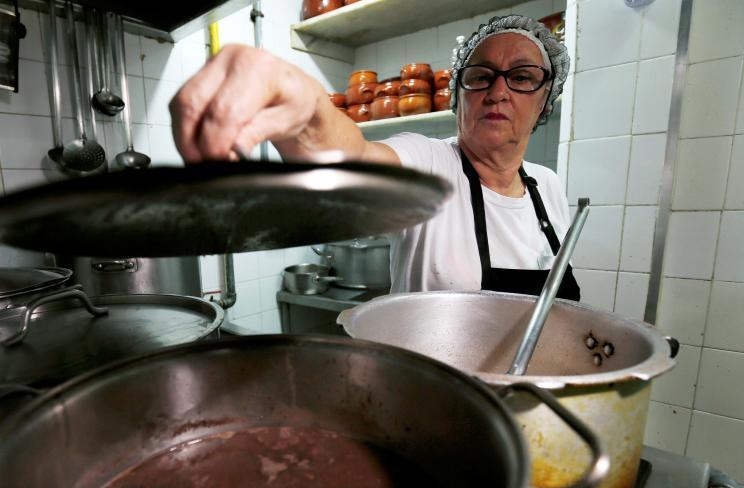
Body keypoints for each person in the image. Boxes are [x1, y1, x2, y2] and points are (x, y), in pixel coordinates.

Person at [170, 15, 580, 300]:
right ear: (458, 98)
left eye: (522, 77)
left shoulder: (549, 185)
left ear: (546, 100)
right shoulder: (430, 165)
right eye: (480, 76)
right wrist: (309, 114)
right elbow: (353, 158)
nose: (498, 91)